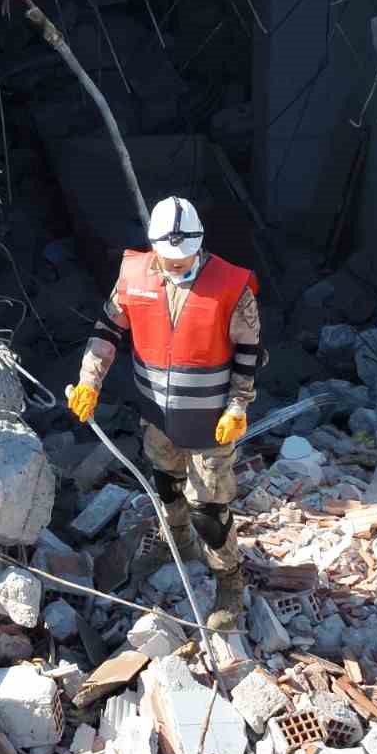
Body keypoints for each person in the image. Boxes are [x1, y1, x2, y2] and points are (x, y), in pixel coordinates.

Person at [67, 196, 261, 627]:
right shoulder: (133, 276)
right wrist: (88, 382)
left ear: (200, 243)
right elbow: (107, 330)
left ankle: (229, 582)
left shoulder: (232, 286)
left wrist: (238, 405)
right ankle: (178, 544)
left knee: (209, 511)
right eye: (167, 257)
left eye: (184, 257)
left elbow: (248, 353)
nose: (175, 265)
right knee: (167, 487)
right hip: (158, 414)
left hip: (212, 421)